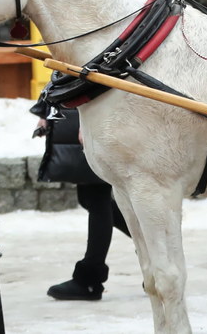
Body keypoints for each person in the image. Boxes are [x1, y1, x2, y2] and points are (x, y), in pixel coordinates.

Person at [33, 105, 130, 301]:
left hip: (93, 117)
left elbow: (97, 75)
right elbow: (63, 75)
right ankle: (153, 244)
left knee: (96, 198)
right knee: (89, 198)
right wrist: (46, 110)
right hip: (82, 116)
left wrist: (91, 122)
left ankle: (89, 280)